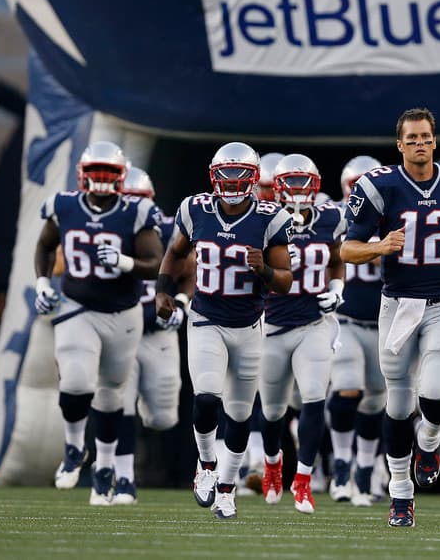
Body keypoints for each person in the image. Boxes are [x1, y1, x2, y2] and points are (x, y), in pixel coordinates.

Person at [340, 107, 440, 528]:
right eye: (412, 138)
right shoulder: (378, 185)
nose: (420, 144)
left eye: (426, 137)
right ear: (400, 144)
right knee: (399, 402)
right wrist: (379, 247)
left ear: (434, 141)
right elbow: (348, 250)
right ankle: (401, 493)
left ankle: (431, 438)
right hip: (398, 304)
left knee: (436, 394)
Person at [157, 142, 293, 520]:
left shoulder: (271, 217)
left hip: (250, 325)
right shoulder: (195, 208)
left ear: (253, 179)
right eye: (226, 174)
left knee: (239, 414)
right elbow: (175, 251)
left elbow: (284, 281)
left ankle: (228, 490)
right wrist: (162, 291)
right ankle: (206, 464)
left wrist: (263, 269)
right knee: (205, 397)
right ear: (214, 176)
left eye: (240, 175)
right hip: (206, 319)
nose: (232, 182)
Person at [33, 142, 164, 506]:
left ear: (120, 177)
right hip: (78, 306)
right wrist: (43, 282)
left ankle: (105, 467)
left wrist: (123, 262)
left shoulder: (136, 212)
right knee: (76, 382)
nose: (102, 181)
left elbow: (156, 262)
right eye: (96, 174)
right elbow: (44, 246)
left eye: (109, 174)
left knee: (111, 395)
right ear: (82, 176)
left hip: (123, 313)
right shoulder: (63, 206)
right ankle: (75, 447)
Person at [256, 154, 345, 514]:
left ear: (316, 185)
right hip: (272, 326)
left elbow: (337, 255)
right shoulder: (262, 219)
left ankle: (303, 481)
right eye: (290, 182)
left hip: (313, 325)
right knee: (274, 410)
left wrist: (337, 288)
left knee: (313, 399)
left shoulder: (330, 217)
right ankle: (273, 464)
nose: (297, 190)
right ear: (276, 187)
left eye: (303, 182)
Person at [112, 165, 183, 505]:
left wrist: (181, 303)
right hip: (122, 327)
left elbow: (190, 269)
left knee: (163, 416)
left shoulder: (169, 228)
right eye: (127, 198)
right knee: (119, 401)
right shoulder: (106, 230)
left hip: (158, 332)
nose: (134, 205)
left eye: (139, 198)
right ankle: (123, 477)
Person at [327, 155, 388, 507]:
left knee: (377, 398)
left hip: (384, 322)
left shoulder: (395, 213)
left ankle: (365, 469)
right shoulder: (334, 215)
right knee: (349, 387)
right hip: (345, 319)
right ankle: (340, 463)